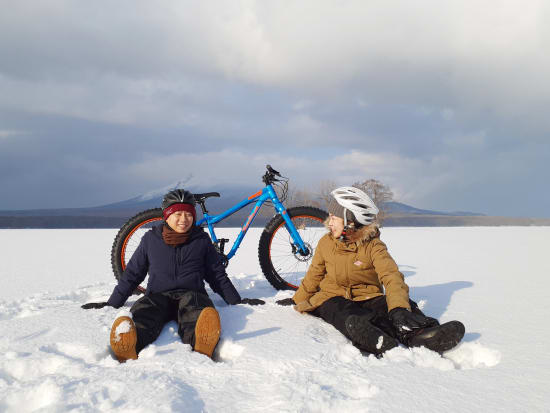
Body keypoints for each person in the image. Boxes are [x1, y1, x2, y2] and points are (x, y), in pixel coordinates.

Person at [82, 189, 264, 361]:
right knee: (145, 312)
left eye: (189, 214)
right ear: (167, 216)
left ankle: (202, 341)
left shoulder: (201, 240)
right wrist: (112, 303)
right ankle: (130, 343)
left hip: (191, 294)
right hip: (157, 295)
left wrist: (236, 301)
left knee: (197, 312)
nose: (184, 219)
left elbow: (216, 275)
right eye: (178, 214)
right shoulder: (150, 240)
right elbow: (132, 274)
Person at [281, 186, 465, 356]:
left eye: (334, 218)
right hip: (332, 295)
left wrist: (399, 308)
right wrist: (297, 298)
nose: (329, 222)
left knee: (392, 306)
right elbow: (314, 274)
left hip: (367, 295)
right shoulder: (326, 243)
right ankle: (372, 337)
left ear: (350, 222)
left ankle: (421, 335)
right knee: (339, 310)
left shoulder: (373, 246)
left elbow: (391, 276)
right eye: (330, 216)